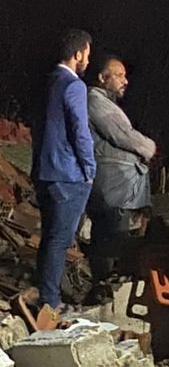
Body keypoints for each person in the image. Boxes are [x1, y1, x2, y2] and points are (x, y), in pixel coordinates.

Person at [32, 29, 95, 311]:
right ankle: (51, 301)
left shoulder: (47, 83)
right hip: (68, 174)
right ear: (78, 54)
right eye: (87, 55)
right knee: (60, 239)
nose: (88, 61)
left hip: (44, 170)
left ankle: (46, 294)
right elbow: (80, 131)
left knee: (49, 238)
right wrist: (89, 169)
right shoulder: (74, 86)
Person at [85, 54, 156, 282]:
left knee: (115, 238)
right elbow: (122, 135)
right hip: (113, 188)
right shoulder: (96, 101)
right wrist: (149, 147)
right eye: (119, 75)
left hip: (119, 188)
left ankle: (109, 282)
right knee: (111, 239)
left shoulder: (104, 102)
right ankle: (105, 284)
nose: (125, 81)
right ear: (102, 77)